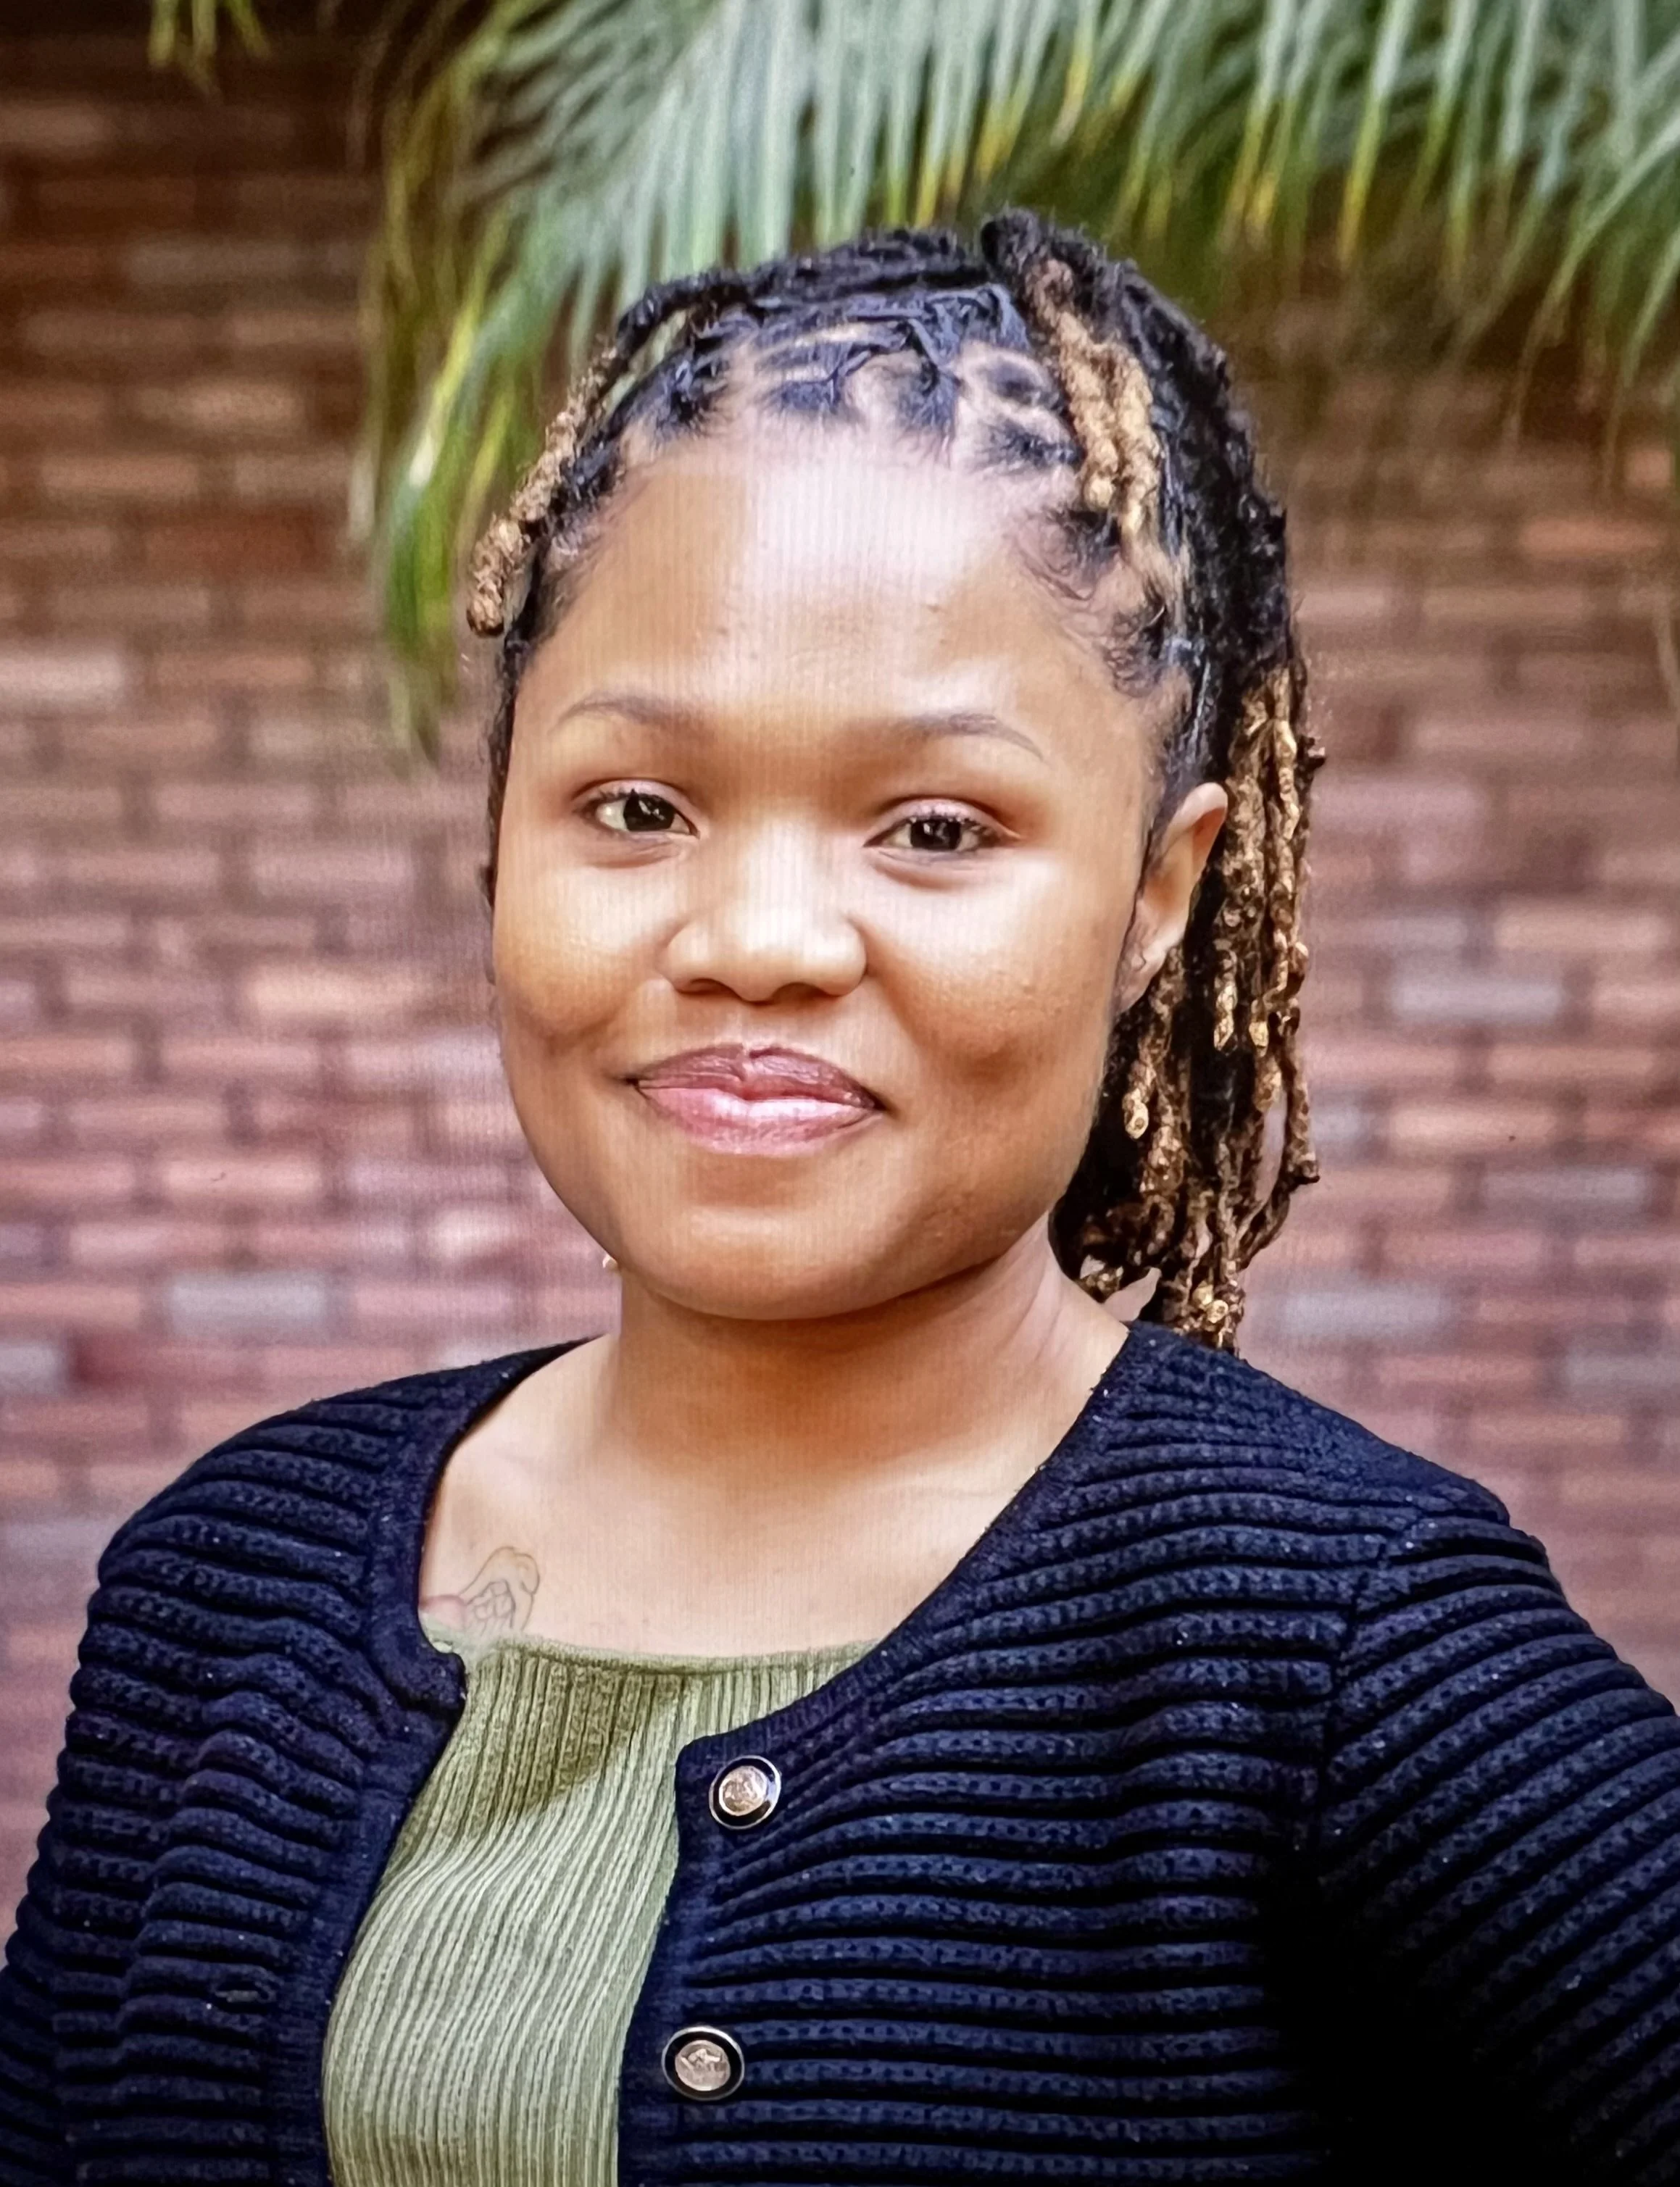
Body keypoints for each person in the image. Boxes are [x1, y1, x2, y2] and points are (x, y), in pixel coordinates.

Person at [1, 209, 1676, 2187]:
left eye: (934, 827)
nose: (761, 936)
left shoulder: (1331, 1652)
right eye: (639, 808)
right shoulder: (230, 1580)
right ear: (499, 833)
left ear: (1156, 890)